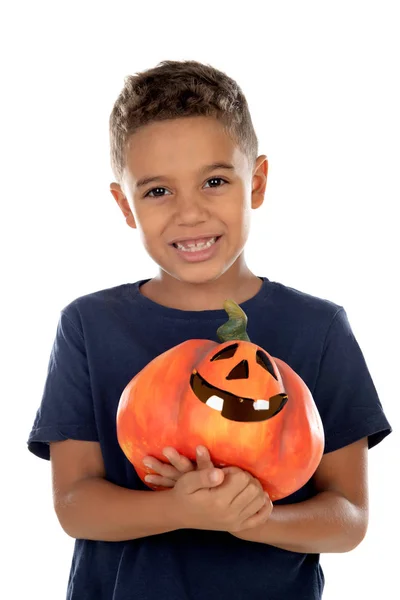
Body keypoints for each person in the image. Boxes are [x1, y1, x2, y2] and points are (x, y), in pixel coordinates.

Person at [27, 59, 392, 600]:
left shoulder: (319, 328)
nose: (190, 213)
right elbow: (75, 507)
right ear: (125, 205)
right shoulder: (88, 325)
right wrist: (178, 508)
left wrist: (250, 519)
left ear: (258, 182)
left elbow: (350, 517)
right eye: (157, 192)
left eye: (215, 181)